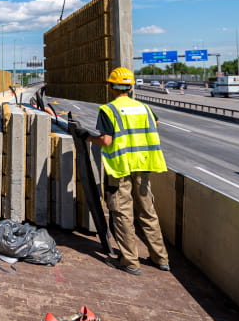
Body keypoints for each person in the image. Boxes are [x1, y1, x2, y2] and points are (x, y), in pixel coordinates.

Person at [69, 67, 170, 275]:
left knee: (123, 213)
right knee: (148, 212)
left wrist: (85, 136)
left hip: (121, 167)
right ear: (131, 87)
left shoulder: (109, 110)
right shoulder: (144, 108)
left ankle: (129, 261)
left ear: (111, 87)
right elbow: (156, 123)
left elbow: (106, 141)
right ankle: (160, 258)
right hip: (143, 164)